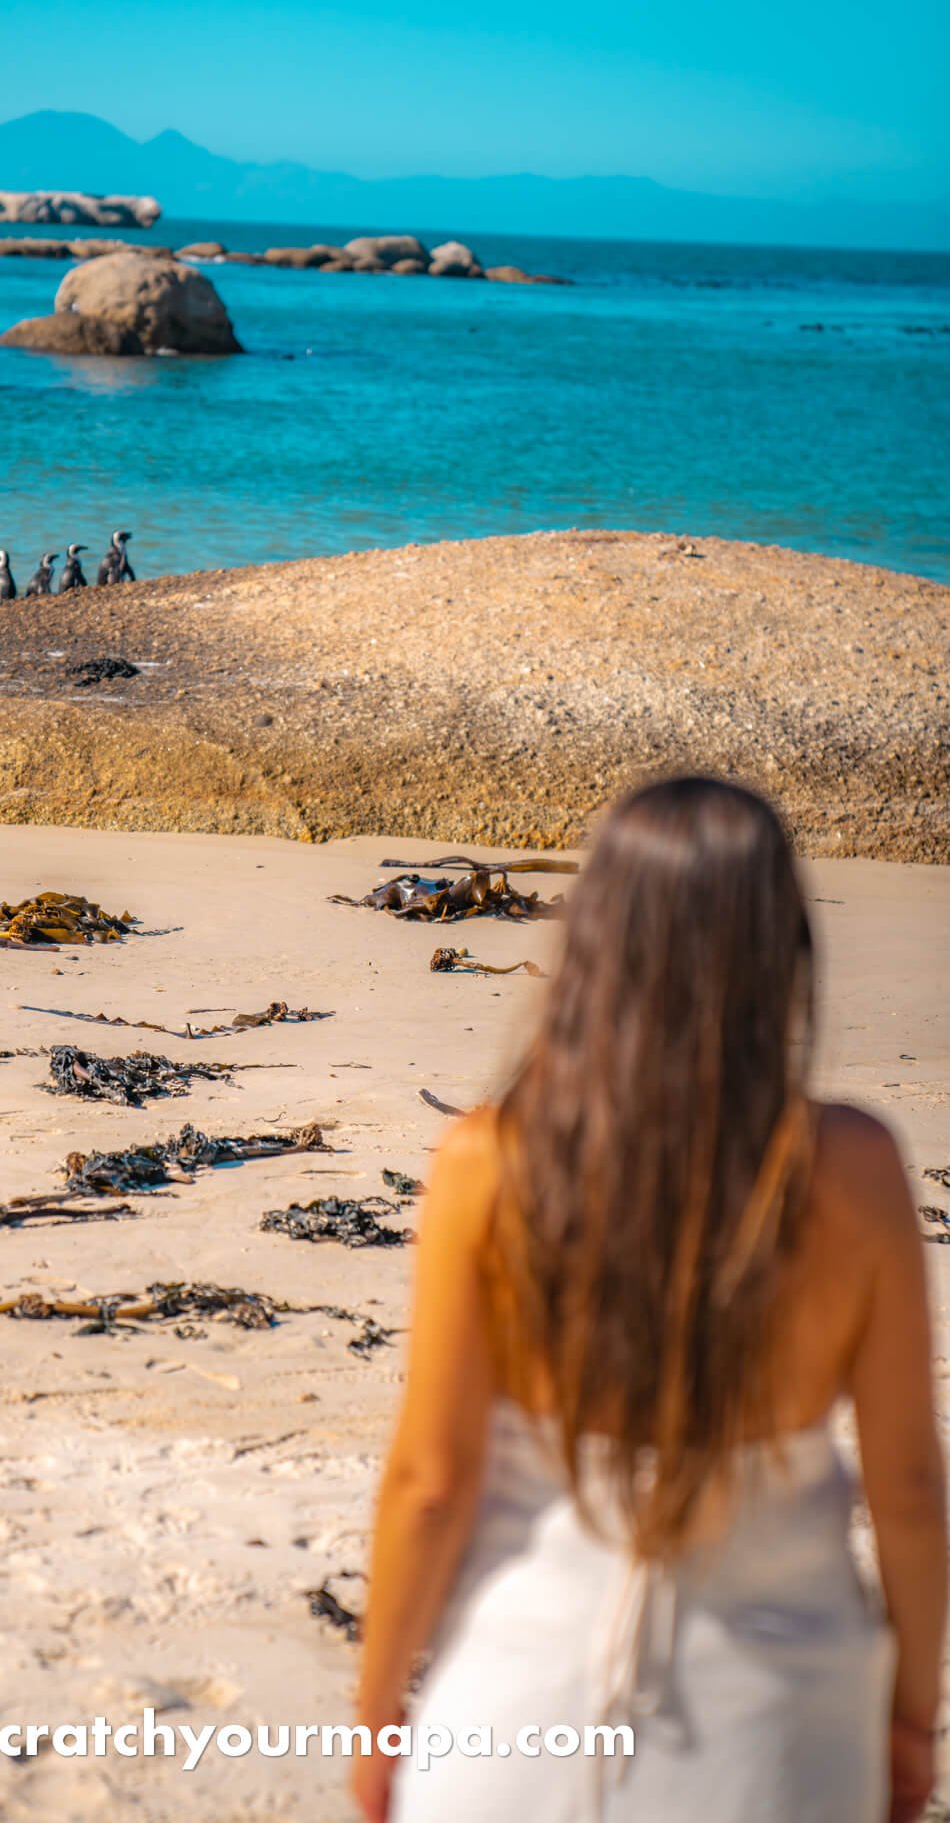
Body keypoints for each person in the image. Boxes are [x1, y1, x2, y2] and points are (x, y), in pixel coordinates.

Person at [354, 777, 944, 1823]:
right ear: (784, 948)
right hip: (784, 1726)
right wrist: (905, 1719)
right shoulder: (852, 1168)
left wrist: (373, 1718)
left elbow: (428, 1484)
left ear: (594, 941)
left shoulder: (490, 1162)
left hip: (515, 1708)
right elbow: (902, 1486)